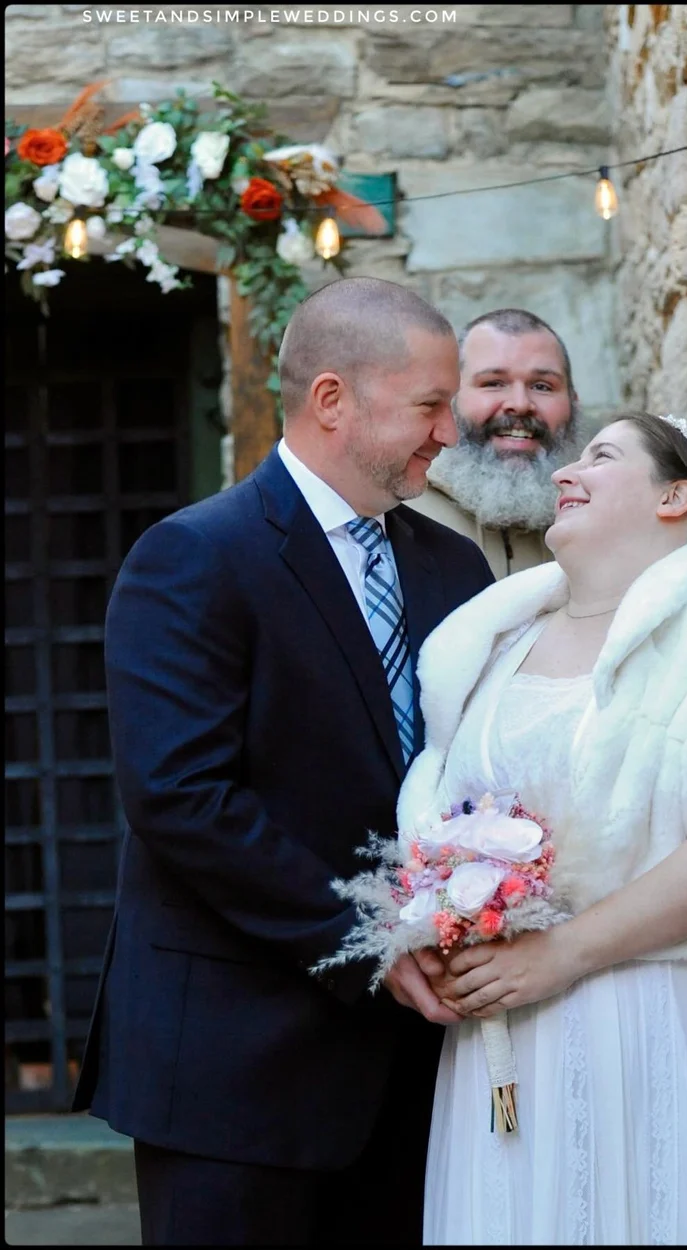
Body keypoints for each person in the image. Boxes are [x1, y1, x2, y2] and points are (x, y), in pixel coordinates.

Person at [72, 277, 495, 1246]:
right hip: (235, 1064)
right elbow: (180, 796)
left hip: (417, 1065)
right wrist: (373, 938)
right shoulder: (194, 555)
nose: (449, 432)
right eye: (429, 405)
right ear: (332, 398)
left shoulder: (455, 567)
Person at [398, 412, 687, 1244]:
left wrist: (560, 954)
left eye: (602, 456)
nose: (564, 472)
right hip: (509, 1037)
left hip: (664, 1014)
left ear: (675, 497)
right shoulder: (499, 638)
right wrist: (434, 925)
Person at [406, 308, 583, 578]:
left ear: (573, 402)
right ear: (449, 397)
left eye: (542, 386)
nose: (520, 404)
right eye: (493, 383)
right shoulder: (397, 509)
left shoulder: (599, 518)